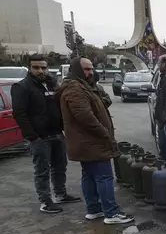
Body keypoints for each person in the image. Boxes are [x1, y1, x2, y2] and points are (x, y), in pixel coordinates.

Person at [57, 57, 134, 224]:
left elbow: (101, 104)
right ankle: (111, 213)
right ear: (76, 70)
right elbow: (85, 118)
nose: (91, 72)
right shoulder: (75, 89)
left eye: (91, 69)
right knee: (104, 177)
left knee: (90, 175)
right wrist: (105, 134)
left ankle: (94, 209)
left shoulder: (84, 87)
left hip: (87, 142)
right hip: (91, 142)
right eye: (86, 69)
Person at [11, 54, 80, 213]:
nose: (40, 70)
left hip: (57, 133)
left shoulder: (52, 84)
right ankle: (45, 201)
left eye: (43, 67)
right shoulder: (22, 87)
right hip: (39, 138)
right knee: (42, 170)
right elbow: (19, 114)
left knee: (60, 166)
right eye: (36, 67)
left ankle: (60, 194)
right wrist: (33, 136)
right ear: (29, 68)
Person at [154, 54, 166, 161]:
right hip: (162, 119)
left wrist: (163, 117)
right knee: (163, 144)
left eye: (158, 63)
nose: (158, 65)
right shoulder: (163, 77)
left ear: (164, 64)